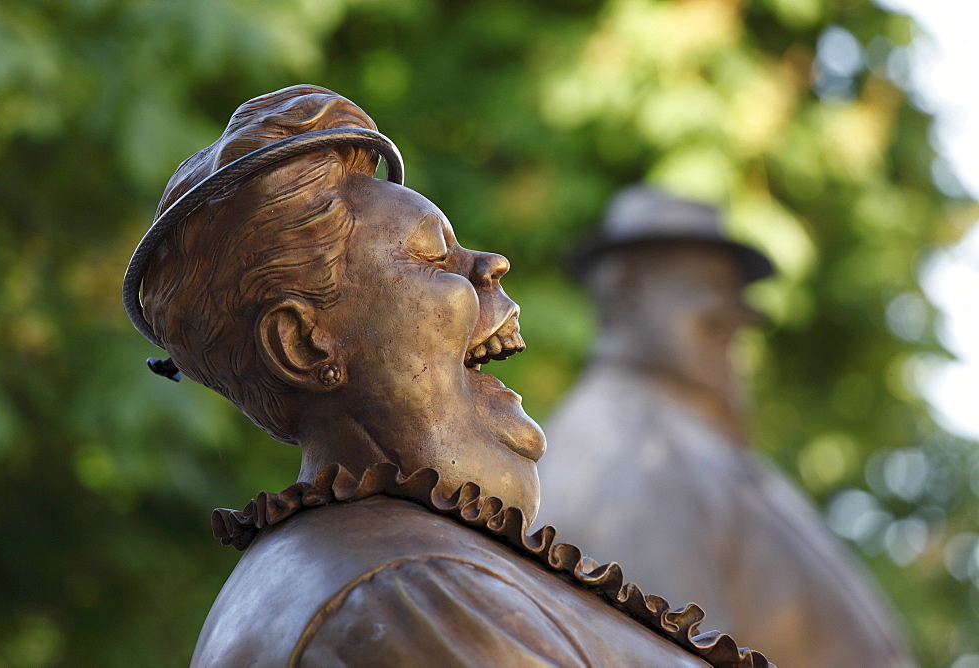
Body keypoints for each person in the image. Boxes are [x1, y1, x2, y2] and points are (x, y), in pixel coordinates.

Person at [123, 87, 766, 666]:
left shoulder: (407, 565)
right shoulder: (402, 594)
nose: (493, 264)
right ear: (304, 344)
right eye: (435, 258)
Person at [537, 185, 914, 667]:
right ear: (628, 290)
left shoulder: (692, 440)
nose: (734, 305)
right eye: (706, 287)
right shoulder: (632, 446)